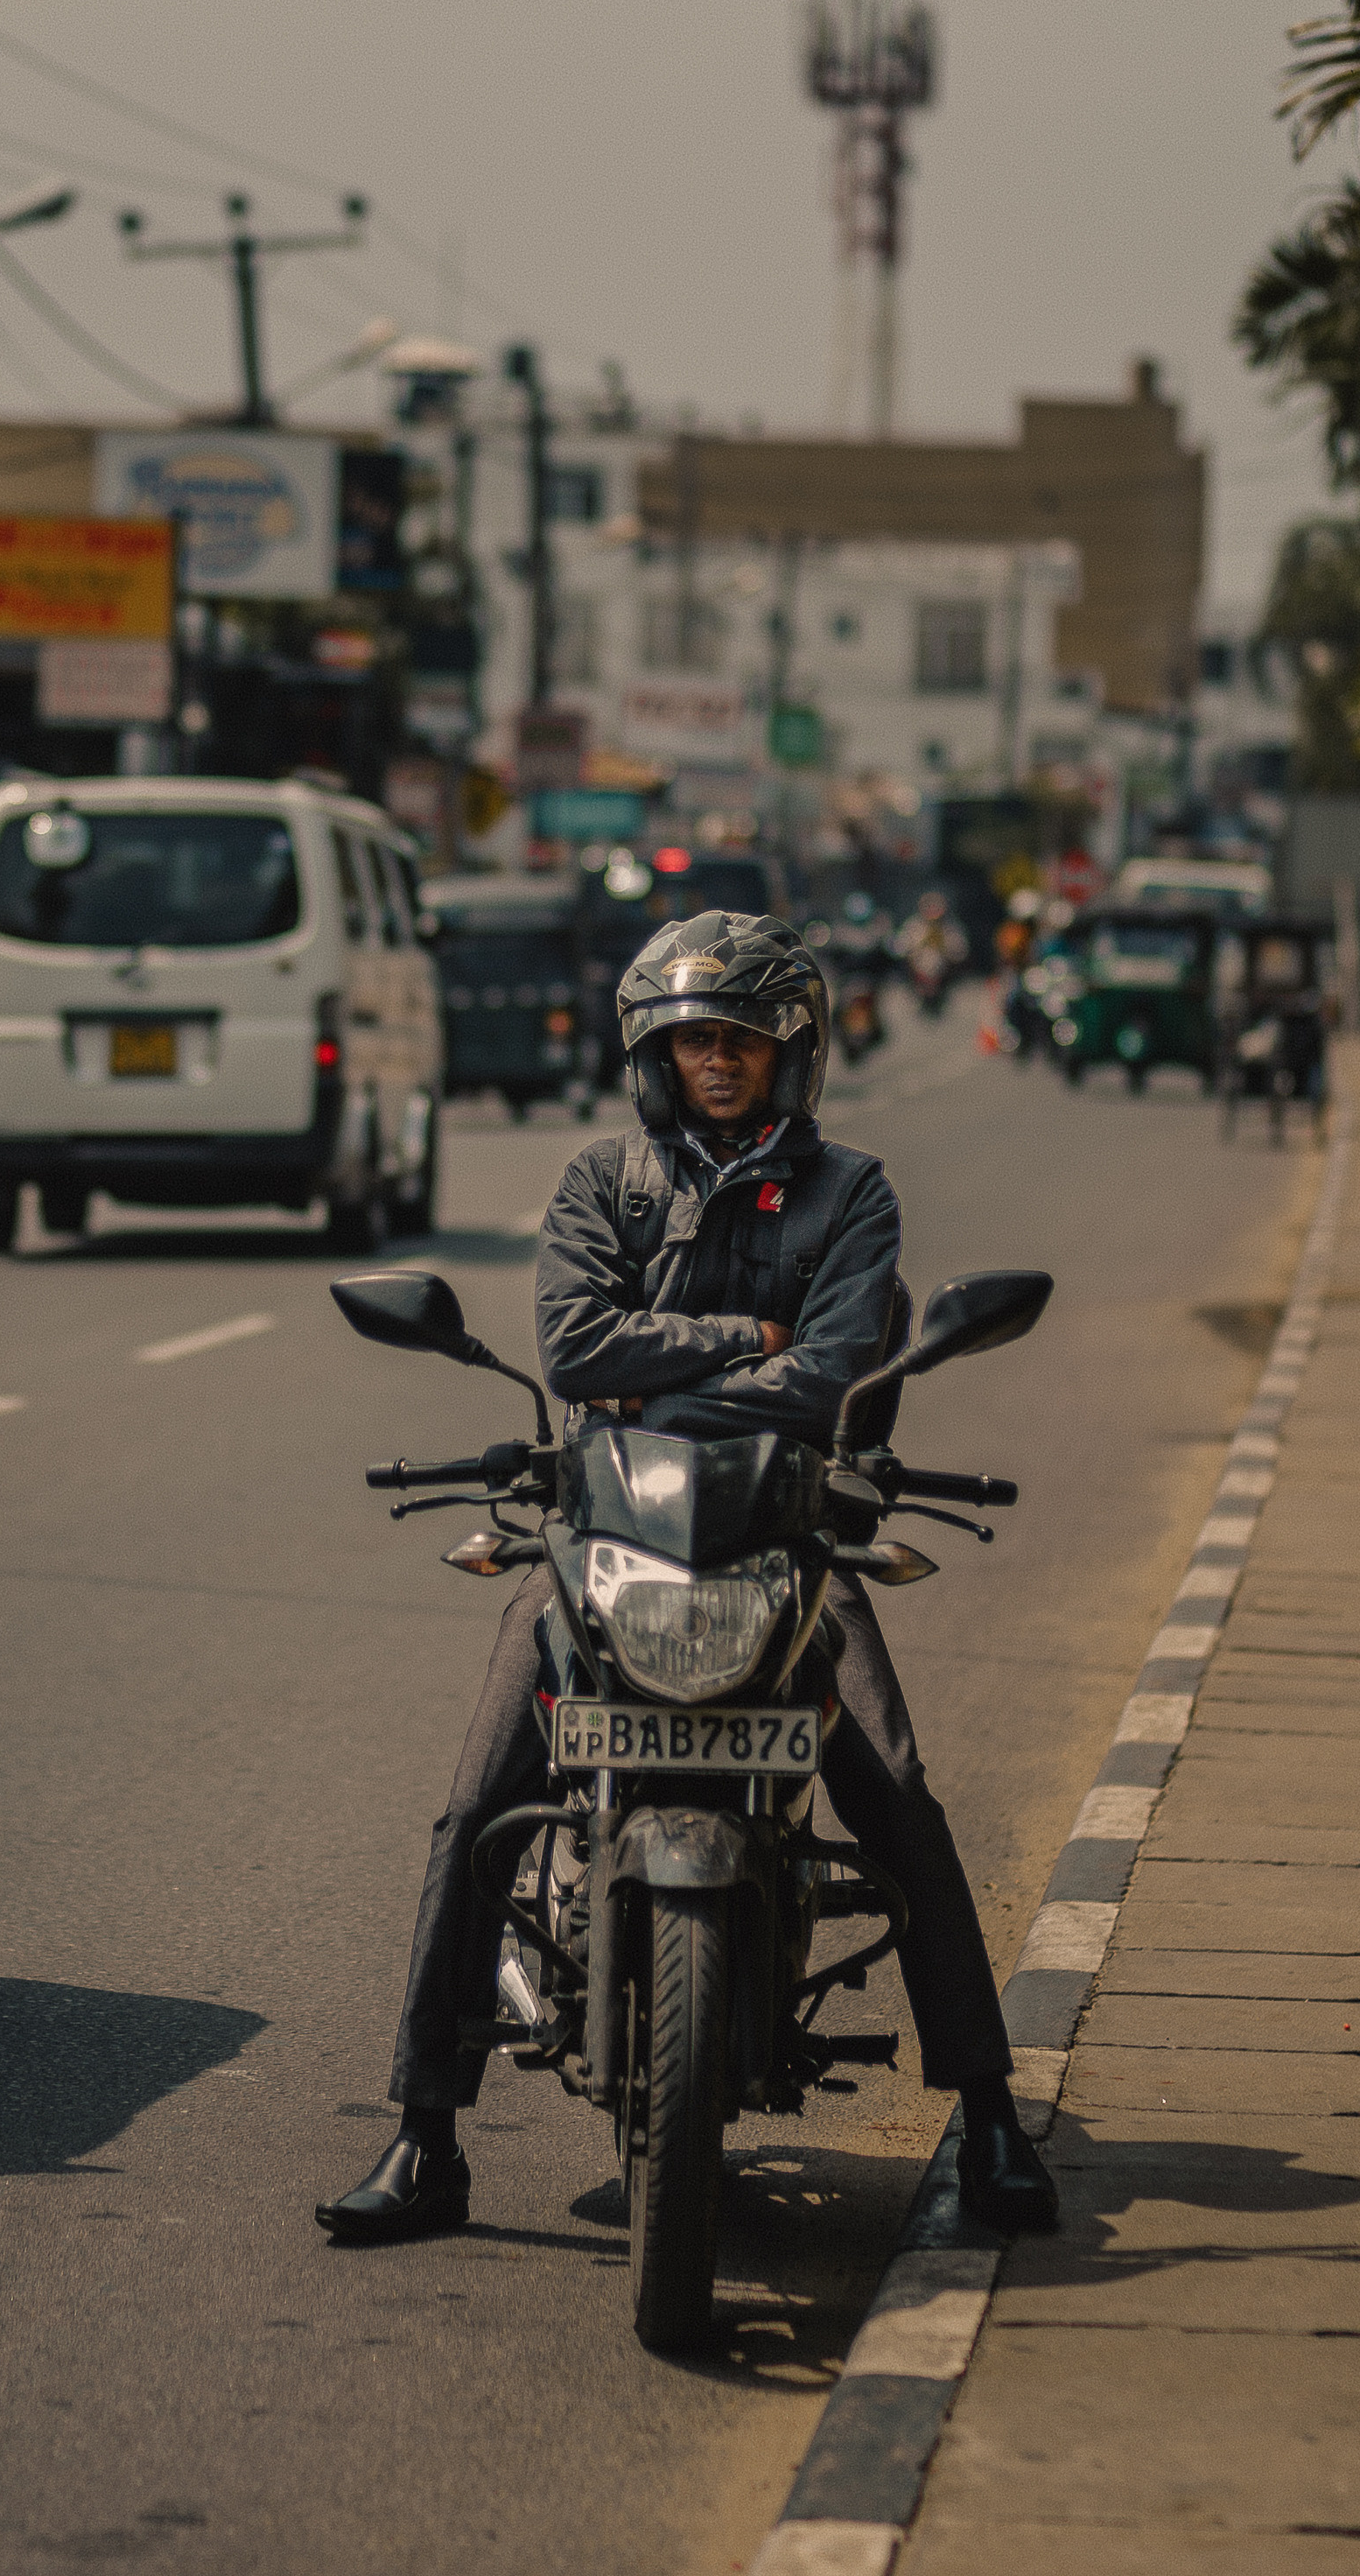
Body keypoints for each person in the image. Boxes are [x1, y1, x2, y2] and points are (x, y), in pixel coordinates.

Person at [317, 912, 1057, 2246]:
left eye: (744, 1039)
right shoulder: (604, 1180)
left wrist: (681, 1382)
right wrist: (739, 1343)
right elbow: (575, 1348)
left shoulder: (854, 1195)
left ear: (793, 1052)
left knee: (894, 1789)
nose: (718, 1061)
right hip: (609, 1537)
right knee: (478, 1800)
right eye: (694, 1040)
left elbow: (832, 1373)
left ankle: (992, 2118)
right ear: (658, 1054)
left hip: (786, 1540)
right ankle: (426, 2132)